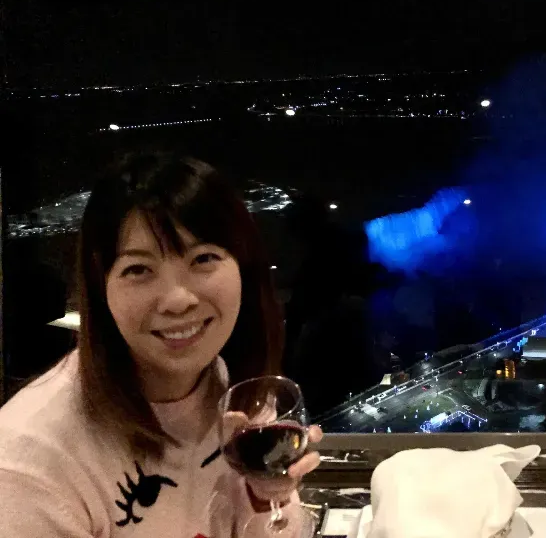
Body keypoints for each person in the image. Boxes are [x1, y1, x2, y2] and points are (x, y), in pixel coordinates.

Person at [0, 152, 323, 537]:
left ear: (244, 268)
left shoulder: (235, 391)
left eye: (203, 258)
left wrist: (266, 498)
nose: (177, 299)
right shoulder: (31, 462)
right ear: (101, 286)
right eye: (138, 269)